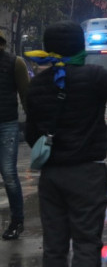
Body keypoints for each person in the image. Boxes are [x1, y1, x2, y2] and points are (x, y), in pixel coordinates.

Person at [24, 21, 107, 265]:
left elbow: (31, 133)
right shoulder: (93, 77)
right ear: (81, 46)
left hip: (52, 175)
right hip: (87, 173)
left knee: (54, 245)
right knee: (86, 242)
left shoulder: (36, 85)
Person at [0, 30, 29, 240]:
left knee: (9, 174)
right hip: (7, 123)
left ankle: (17, 221)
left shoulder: (14, 63)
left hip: (6, 124)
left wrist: (33, 126)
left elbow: (25, 95)